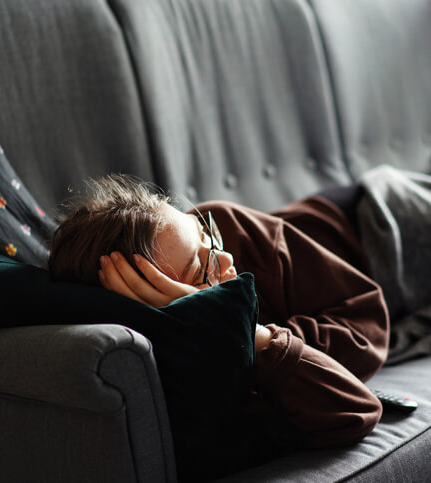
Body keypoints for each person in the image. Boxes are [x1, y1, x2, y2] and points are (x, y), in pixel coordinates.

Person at [48, 173, 389, 470]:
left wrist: (268, 339)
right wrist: (242, 330)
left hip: (373, 216)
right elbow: (355, 410)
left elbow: (367, 324)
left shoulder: (228, 226)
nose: (225, 258)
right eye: (200, 270)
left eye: (204, 234)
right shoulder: (191, 364)